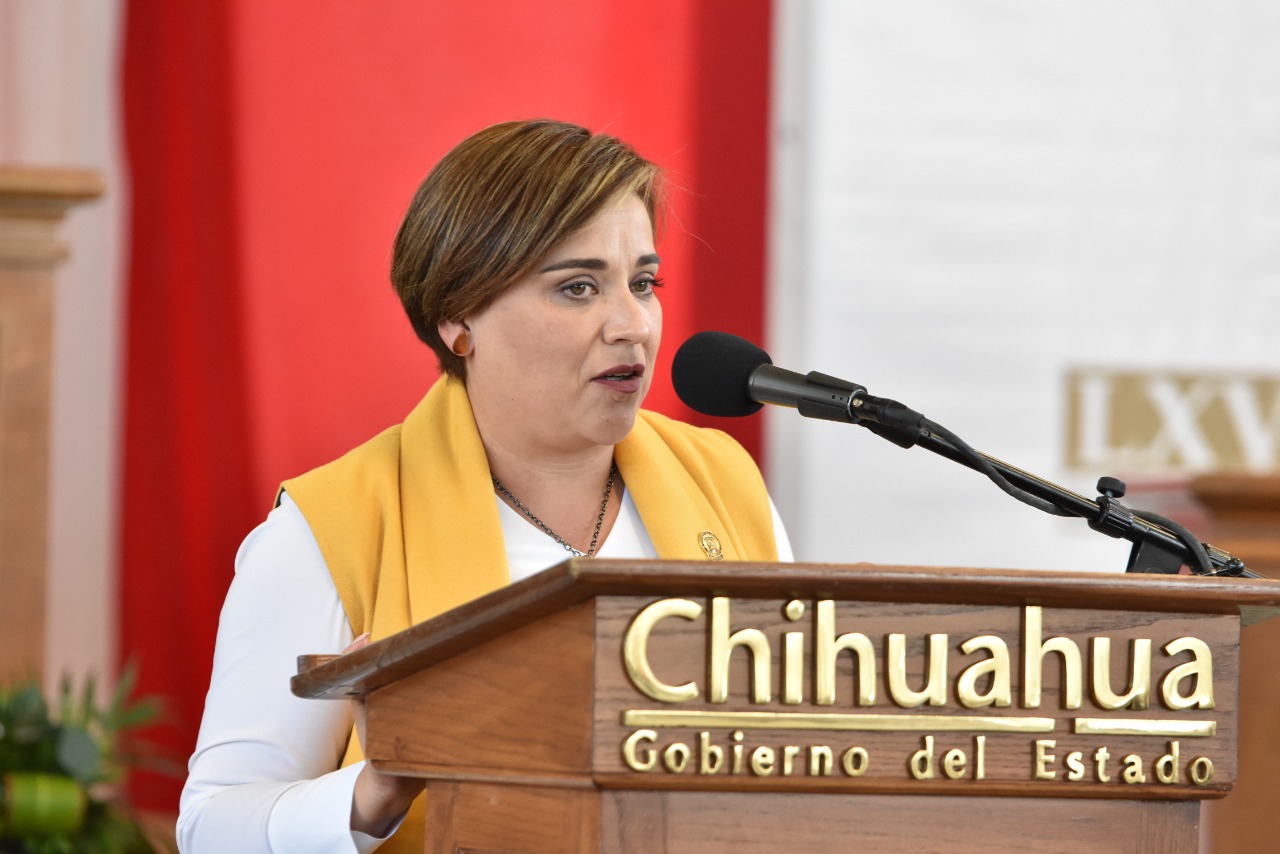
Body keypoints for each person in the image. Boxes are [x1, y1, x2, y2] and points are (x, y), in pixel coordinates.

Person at [176, 119, 793, 853]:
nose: (632, 324)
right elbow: (211, 827)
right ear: (457, 318)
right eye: (578, 288)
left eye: (643, 283)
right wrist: (374, 792)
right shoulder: (333, 527)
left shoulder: (723, 481)